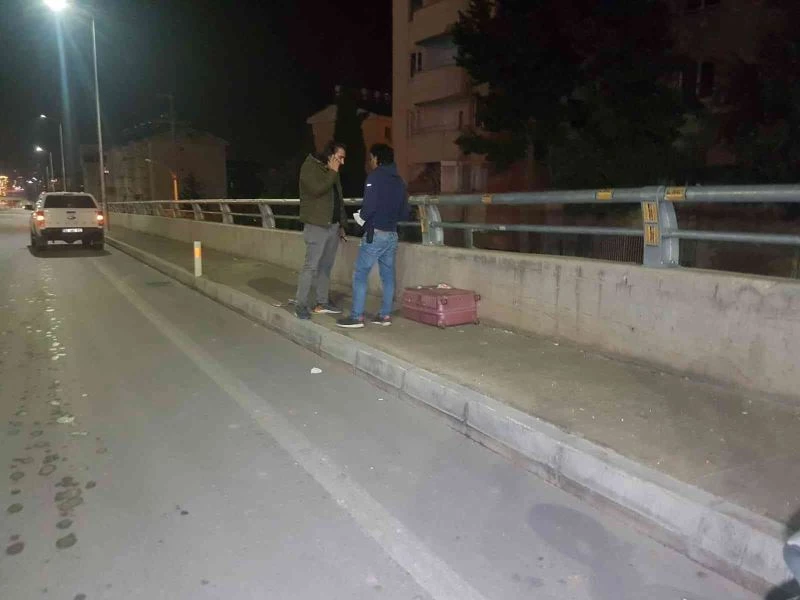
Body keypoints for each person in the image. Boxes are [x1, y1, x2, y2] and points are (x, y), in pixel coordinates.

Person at [337, 144, 408, 328]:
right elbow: (404, 212)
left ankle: (357, 317)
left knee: (360, 274)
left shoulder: (375, 177)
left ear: (377, 158)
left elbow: (369, 206)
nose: (370, 162)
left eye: (371, 158)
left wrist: (361, 218)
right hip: (392, 234)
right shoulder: (399, 181)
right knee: (388, 276)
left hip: (375, 233)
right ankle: (385, 315)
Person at [294, 141, 348, 320]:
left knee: (326, 266)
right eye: (340, 157)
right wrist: (332, 172)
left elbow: (338, 198)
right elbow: (317, 190)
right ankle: (300, 305)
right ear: (330, 155)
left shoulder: (333, 171)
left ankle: (322, 302)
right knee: (310, 266)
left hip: (333, 226)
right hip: (317, 225)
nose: (342, 162)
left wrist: (342, 224)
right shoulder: (309, 167)